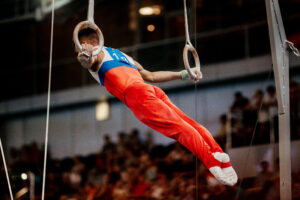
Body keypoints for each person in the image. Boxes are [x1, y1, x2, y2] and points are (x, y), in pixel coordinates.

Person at [74, 28, 237, 186]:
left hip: (136, 95)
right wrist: (183, 74)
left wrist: (85, 55)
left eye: (76, 46)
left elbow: (88, 62)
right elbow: (150, 75)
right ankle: (220, 155)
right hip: (150, 90)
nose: (76, 50)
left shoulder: (95, 54)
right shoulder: (120, 54)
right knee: (189, 123)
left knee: (179, 128)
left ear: (84, 43)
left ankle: (212, 161)